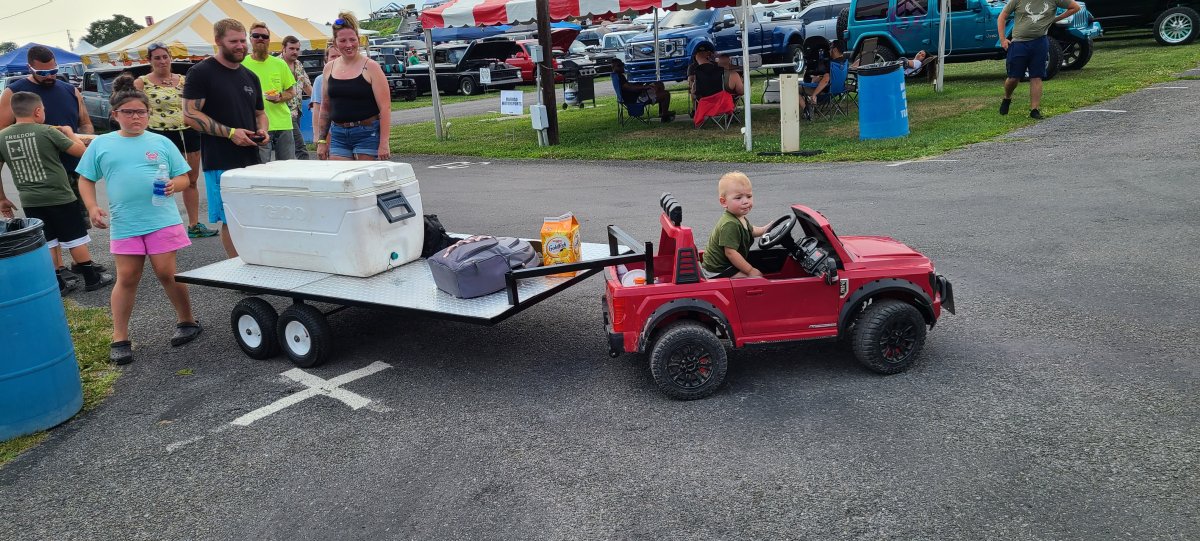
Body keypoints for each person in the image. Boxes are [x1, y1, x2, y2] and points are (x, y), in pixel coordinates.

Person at [76, 75, 201, 365]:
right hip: (125, 222)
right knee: (128, 277)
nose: (136, 117)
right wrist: (92, 207)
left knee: (166, 272)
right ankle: (119, 337)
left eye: (141, 112)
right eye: (129, 112)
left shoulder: (161, 142)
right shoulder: (102, 144)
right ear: (115, 114)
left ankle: (187, 320)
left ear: (149, 114)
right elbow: (85, 179)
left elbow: (184, 178)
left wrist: (174, 185)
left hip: (161, 219)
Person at [0, 44, 99, 280]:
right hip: (39, 171)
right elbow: (3, 133)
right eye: (43, 72)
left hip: (72, 166)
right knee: (50, 227)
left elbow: (85, 123)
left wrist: (84, 138)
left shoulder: (69, 89)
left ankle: (80, 264)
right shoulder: (14, 93)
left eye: (53, 70)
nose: (50, 76)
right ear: (30, 68)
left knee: (76, 220)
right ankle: (59, 269)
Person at [0, 92, 113, 294]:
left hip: (30, 199)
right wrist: (69, 132)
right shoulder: (47, 131)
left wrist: (2, 198)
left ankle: (59, 283)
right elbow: (81, 152)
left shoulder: (2, 136)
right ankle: (91, 278)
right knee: (75, 237)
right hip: (60, 196)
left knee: (48, 240)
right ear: (37, 111)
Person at [183, 18, 268, 259]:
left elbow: (260, 114)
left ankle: (255, 262)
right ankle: (237, 268)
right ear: (218, 41)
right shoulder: (201, 72)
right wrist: (230, 133)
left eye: (243, 40)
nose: (240, 46)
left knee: (253, 215)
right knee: (231, 219)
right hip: (220, 160)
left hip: (251, 159)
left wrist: (263, 131)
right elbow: (190, 114)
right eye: (234, 41)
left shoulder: (250, 76)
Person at [133, 42, 217, 239]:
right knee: (160, 182)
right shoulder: (141, 83)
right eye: (157, 58)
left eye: (165, 57)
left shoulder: (184, 80)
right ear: (149, 60)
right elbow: (136, 108)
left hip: (188, 132)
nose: (162, 61)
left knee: (191, 179)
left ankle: (194, 225)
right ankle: (160, 226)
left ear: (170, 58)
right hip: (159, 135)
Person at [316, 12, 392, 161]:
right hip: (338, 134)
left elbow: (385, 108)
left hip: (367, 133)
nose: (348, 45)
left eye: (352, 39)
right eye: (343, 40)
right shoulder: (329, 68)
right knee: (340, 175)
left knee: (364, 175)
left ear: (358, 39)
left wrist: (384, 142)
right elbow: (325, 107)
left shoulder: (371, 67)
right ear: (335, 43)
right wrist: (322, 140)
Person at [998, 0, 1081, 119]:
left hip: (1040, 42)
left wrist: (1055, 19)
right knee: (1013, 78)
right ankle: (1007, 98)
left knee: (1036, 76)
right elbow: (1002, 16)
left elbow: (1075, 7)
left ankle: (1034, 110)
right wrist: (1003, 39)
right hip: (1019, 42)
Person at [242, 22, 297, 162]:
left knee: (287, 168)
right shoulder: (242, 64)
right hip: (257, 126)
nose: (261, 38)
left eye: (264, 36)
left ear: (269, 40)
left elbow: (291, 92)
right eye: (256, 35)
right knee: (261, 169)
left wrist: (279, 97)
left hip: (283, 124)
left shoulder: (280, 64)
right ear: (250, 38)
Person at [701, 172, 769, 279]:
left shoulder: (739, 216)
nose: (745, 201)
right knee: (755, 280)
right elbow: (731, 253)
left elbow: (751, 230)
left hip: (726, 265)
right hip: (717, 270)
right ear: (724, 202)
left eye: (749, 196)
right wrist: (750, 270)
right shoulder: (730, 224)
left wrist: (766, 229)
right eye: (738, 198)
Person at [611, 58, 675, 122]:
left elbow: (629, 86)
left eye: (622, 64)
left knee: (659, 84)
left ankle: (662, 111)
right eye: (619, 66)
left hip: (636, 95)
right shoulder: (619, 77)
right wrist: (645, 87)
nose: (622, 67)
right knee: (666, 94)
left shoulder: (616, 76)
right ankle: (664, 116)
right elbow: (629, 87)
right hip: (635, 99)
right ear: (613, 67)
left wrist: (641, 84)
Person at [281, 35, 313, 160]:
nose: (295, 52)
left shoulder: (298, 64)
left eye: (297, 49)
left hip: (297, 112)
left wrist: (317, 101)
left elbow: (307, 86)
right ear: (283, 48)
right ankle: (306, 170)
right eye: (291, 48)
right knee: (301, 148)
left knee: (289, 148)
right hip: (284, 113)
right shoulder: (276, 64)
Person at [310, 45, 341, 141]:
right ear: (326, 60)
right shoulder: (320, 80)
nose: (336, 59)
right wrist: (317, 135)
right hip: (329, 132)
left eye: (339, 56)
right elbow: (317, 109)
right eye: (333, 56)